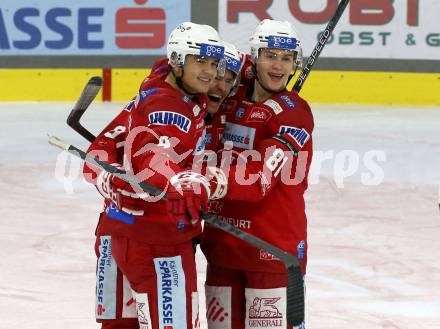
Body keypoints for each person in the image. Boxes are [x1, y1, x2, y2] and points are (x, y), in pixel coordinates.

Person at [166, 19, 314, 329]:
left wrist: (205, 181)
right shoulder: (230, 96)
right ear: (255, 57)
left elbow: (259, 179)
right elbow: (193, 70)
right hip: (222, 248)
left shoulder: (294, 114)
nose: (278, 66)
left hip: (271, 251)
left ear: (294, 63)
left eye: (286, 59)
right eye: (270, 55)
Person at [84, 22, 226, 329]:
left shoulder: (153, 90)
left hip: (116, 232)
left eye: (214, 64)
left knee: (120, 326)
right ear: (177, 61)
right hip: (160, 242)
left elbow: (98, 152)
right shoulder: (168, 106)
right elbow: (154, 158)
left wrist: (108, 178)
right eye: (200, 61)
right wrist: (180, 180)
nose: (210, 73)